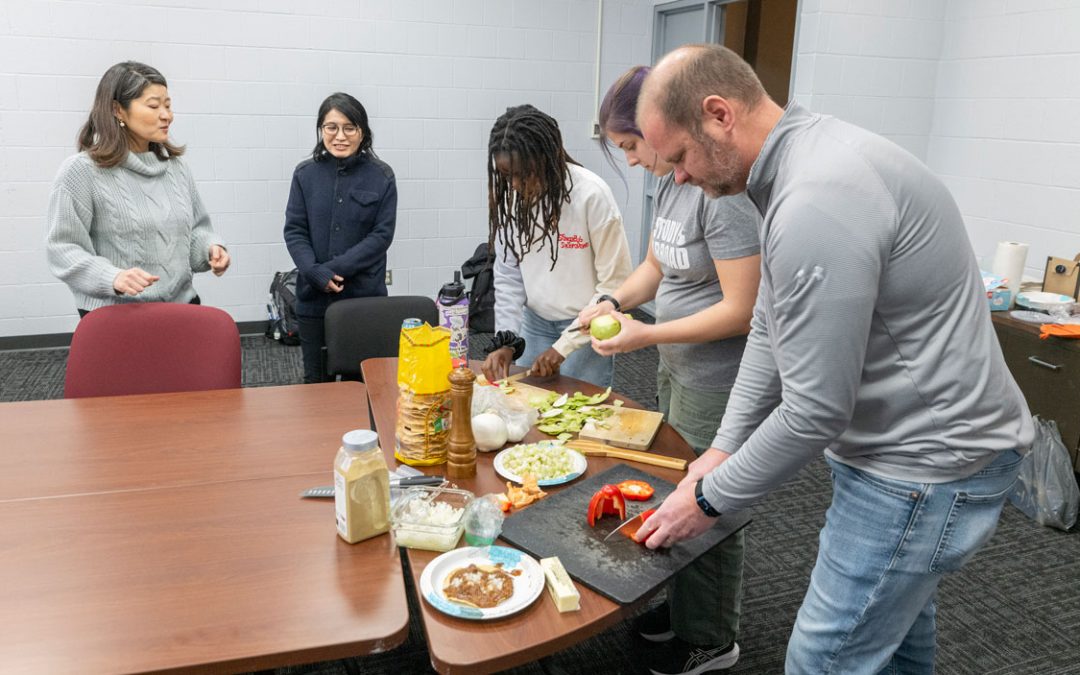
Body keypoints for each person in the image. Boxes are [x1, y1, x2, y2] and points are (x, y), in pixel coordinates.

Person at [633, 44, 1035, 674]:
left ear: (718, 114)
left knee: (824, 659)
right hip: (919, 451)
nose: (676, 177)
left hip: (925, 467)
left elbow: (814, 411)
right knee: (895, 644)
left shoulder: (815, 200)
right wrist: (722, 446)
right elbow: (769, 321)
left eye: (679, 156)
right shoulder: (798, 164)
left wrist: (709, 498)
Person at [575, 66, 761, 674]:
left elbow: (742, 311)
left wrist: (647, 333)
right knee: (677, 492)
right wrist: (612, 302)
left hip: (718, 380)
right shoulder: (673, 185)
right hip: (675, 369)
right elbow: (655, 267)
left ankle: (712, 634)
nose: (630, 161)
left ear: (661, 130)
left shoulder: (719, 196)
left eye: (631, 146)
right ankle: (686, 610)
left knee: (711, 503)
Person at [47, 61, 229, 317]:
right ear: (117, 110)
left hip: (182, 309)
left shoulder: (177, 169)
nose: (167, 115)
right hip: (116, 317)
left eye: (168, 105)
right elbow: (63, 249)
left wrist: (211, 249)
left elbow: (197, 230)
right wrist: (112, 277)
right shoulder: (81, 172)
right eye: (154, 106)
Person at [481, 104, 632, 388]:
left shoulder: (592, 196)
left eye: (522, 174)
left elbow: (615, 283)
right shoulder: (513, 200)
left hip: (586, 326)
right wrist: (506, 341)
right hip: (535, 321)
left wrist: (565, 346)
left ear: (547, 160)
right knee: (528, 408)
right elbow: (509, 278)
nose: (514, 185)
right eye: (506, 175)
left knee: (582, 412)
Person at [284, 93, 397, 384]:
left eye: (350, 127)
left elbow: (381, 236)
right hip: (313, 297)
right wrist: (314, 272)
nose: (340, 136)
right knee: (316, 384)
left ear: (363, 132)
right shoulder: (305, 174)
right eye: (331, 127)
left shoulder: (381, 176)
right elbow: (295, 230)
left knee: (360, 384)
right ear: (321, 130)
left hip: (362, 298)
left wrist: (333, 270)